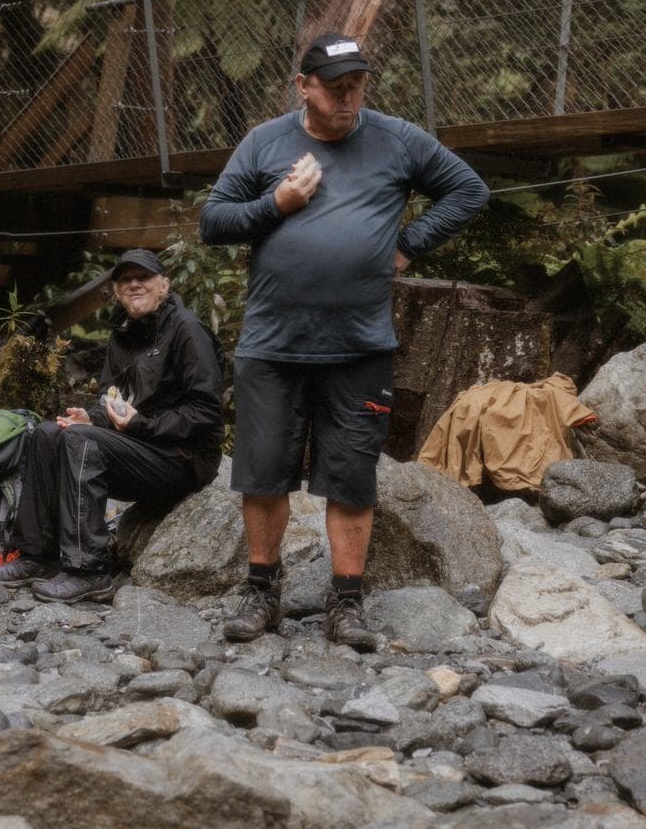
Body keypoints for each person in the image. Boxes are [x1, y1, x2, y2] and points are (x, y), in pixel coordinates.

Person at [198, 32, 488, 648]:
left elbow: (468, 190)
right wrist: (276, 203)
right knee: (264, 474)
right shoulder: (265, 143)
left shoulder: (396, 139)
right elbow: (214, 221)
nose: (348, 98)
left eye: (356, 85)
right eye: (334, 88)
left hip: (360, 345)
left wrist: (408, 246)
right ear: (303, 87)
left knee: (352, 477)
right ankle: (261, 590)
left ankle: (347, 602)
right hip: (273, 345)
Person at [0, 249, 225, 604]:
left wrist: (141, 424)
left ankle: (88, 569)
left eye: (144, 277)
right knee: (49, 433)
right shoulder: (122, 334)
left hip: (183, 458)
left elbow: (206, 412)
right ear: (117, 291)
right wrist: (91, 418)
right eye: (126, 279)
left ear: (164, 286)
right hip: (140, 449)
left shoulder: (186, 329)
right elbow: (111, 398)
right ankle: (37, 556)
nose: (135, 284)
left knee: (82, 442)